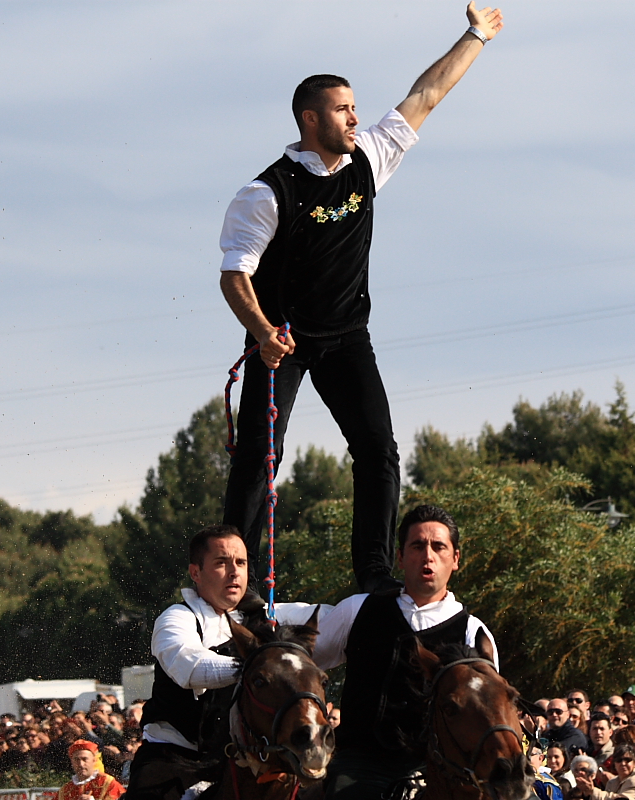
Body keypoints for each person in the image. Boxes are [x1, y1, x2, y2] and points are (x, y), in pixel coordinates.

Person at [218, 1, 504, 594]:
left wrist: (475, 35)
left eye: (354, 108)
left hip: (348, 339)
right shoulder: (265, 193)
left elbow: (426, 95)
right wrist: (264, 332)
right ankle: (231, 581)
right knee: (258, 461)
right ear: (309, 119)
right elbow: (234, 276)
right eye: (343, 110)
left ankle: (373, 572)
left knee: (378, 450)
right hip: (284, 344)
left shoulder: (366, 160)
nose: (355, 119)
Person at [312, 505, 499, 800]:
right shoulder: (357, 609)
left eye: (439, 547)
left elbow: (486, 715)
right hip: (360, 766)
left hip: (439, 768)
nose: (428, 556)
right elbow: (303, 667)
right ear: (400, 557)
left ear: (456, 559)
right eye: (417, 546)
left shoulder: (473, 633)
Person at [124, 524, 317, 800]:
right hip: (171, 762)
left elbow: (337, 625)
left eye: (241, 562)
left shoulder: (269, 618)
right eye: (221, 563)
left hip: (242, 762)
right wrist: (256, 670)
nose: (234, 571)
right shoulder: (175, 618)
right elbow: (189, 667)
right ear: (196, 573)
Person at [58, 740, 124, 800]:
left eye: (85, 759)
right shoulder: (65, 790)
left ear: (94, 760)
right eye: (76, 760)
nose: (81, 764)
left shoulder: (109, 783)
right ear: (72, 762)